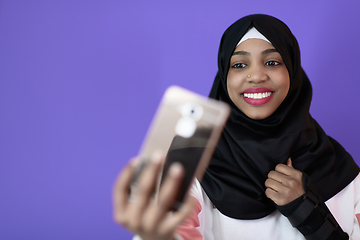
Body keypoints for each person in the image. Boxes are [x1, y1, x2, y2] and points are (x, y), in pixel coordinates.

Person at [113, 14, 360, 240]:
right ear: (224, 76)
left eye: (273, 62)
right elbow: (173, 228)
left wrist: (308, 212)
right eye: (239, 65)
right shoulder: (193, 160)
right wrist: (157, 234)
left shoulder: (338, 168)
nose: (256, 76)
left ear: (293, 72)